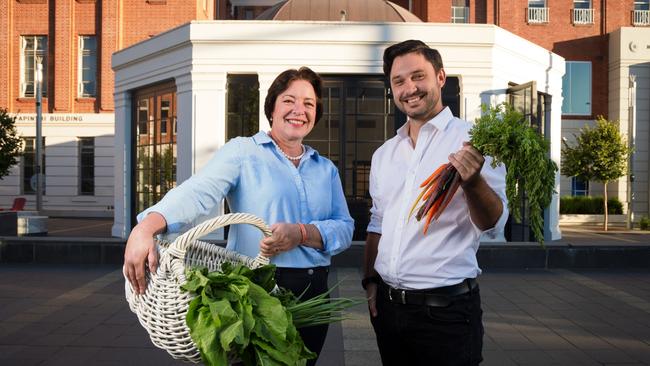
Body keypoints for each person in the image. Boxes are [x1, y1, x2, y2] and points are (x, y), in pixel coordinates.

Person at [124, 66, 354, 365]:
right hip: (255, 290)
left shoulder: (326, 169)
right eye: (289, 100)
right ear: (271, 107)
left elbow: (345, 228)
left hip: (314, 293)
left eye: (309, 103)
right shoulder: (244, 152)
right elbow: (198, 192)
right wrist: (146, 227)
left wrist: (302, 233)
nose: (299, 110)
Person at [362, 40, 508, 365]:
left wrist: (473, 181)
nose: (409, 88)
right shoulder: (385, 154)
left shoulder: (476, 141)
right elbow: (378, 223)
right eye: (399, 81)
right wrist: (370, 282)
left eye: (418, 76)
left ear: (441, 77)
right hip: (388, 309)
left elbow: (493, 222)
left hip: (447, 315)